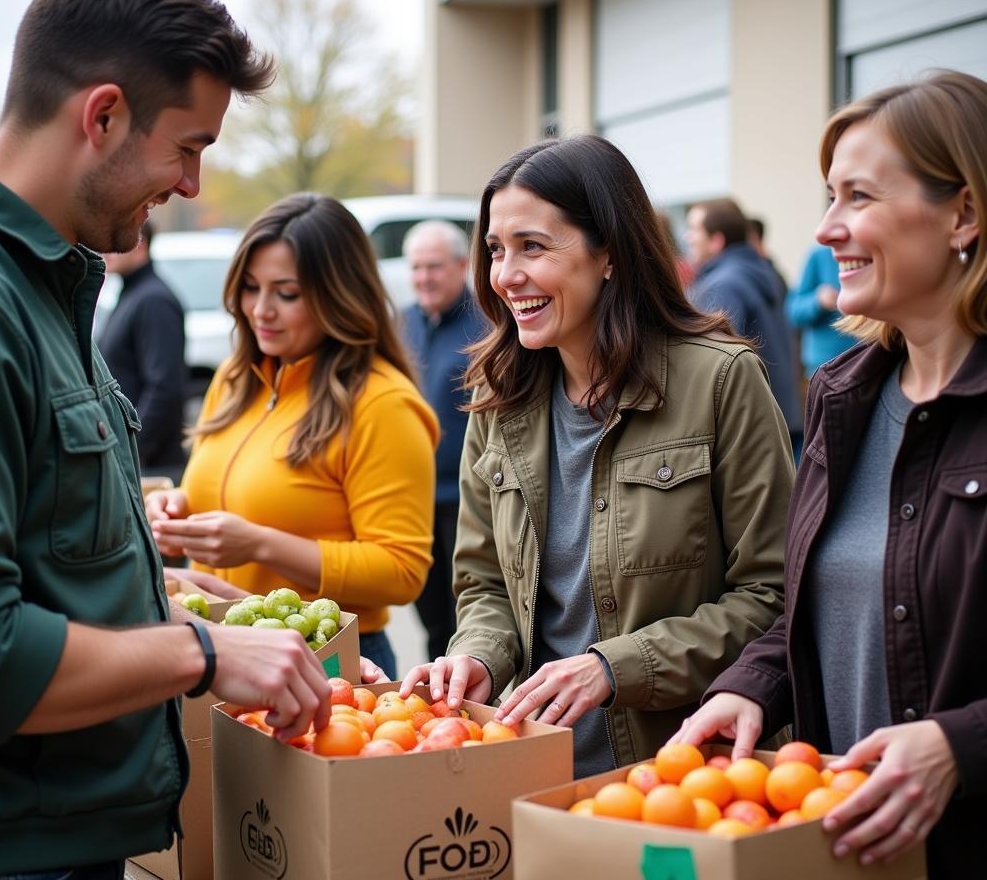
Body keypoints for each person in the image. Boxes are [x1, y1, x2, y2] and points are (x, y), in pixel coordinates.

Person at [0, 0, 335, 880]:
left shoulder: (46, 285)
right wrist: (204, 653)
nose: (191, 187)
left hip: (51, 861)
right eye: (190, 147)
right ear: (104, 114)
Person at [669, 70, 986, 880]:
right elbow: (821, 602)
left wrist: (963, 744)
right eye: (827, 195)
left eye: (859, 196)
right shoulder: (842, 399)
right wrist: (752, 687)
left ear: (963, 214)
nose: (825, 227)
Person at [400, 135, 795, 776]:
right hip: (532, 768)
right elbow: (484, 584)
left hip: (684, 772)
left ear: (608, 251)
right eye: (496, 250)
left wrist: (616, 667)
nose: (505, 275)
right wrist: (476, 655)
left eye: (533, 246)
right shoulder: (497, 397)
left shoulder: (720, 380)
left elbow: (772, 596)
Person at [147, 193, 439, 680]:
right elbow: (244, 492)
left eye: (286, 293)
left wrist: (260, 545)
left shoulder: (383, 403)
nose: (261, 310)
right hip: (222, 648)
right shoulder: (237, 379)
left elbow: (401, 570)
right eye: (250, 287)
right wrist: (180, 507)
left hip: (329, 658)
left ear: (337, 294)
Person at [402, 219, 486, 660]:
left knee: (467, 614)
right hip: (414, 497)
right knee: (431, 614)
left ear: (460, 265)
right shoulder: (403, 322)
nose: (423, 278)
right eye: (416, 268)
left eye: (433, 267)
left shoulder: (488, 324)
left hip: (463, 496)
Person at [687, 198, 803, 457]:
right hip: (783, 414)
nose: (688, 236)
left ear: (716, 240)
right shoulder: (764, 273)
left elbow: (708, 363)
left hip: (752, 430)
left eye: (694, 229)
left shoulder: (722, 285)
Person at [97, 220, 188, 482]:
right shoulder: (132, 294)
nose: (105, 250)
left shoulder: (153, 300)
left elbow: (165, 387)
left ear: (140, 244)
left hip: (150, 467)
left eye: (114, 242)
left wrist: (131, 447)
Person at [786, 242, 857, 379]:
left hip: (865, 360)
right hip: (825, 366)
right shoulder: (819, 255)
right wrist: (817, 301)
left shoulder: (867, 252)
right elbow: (793, 311)